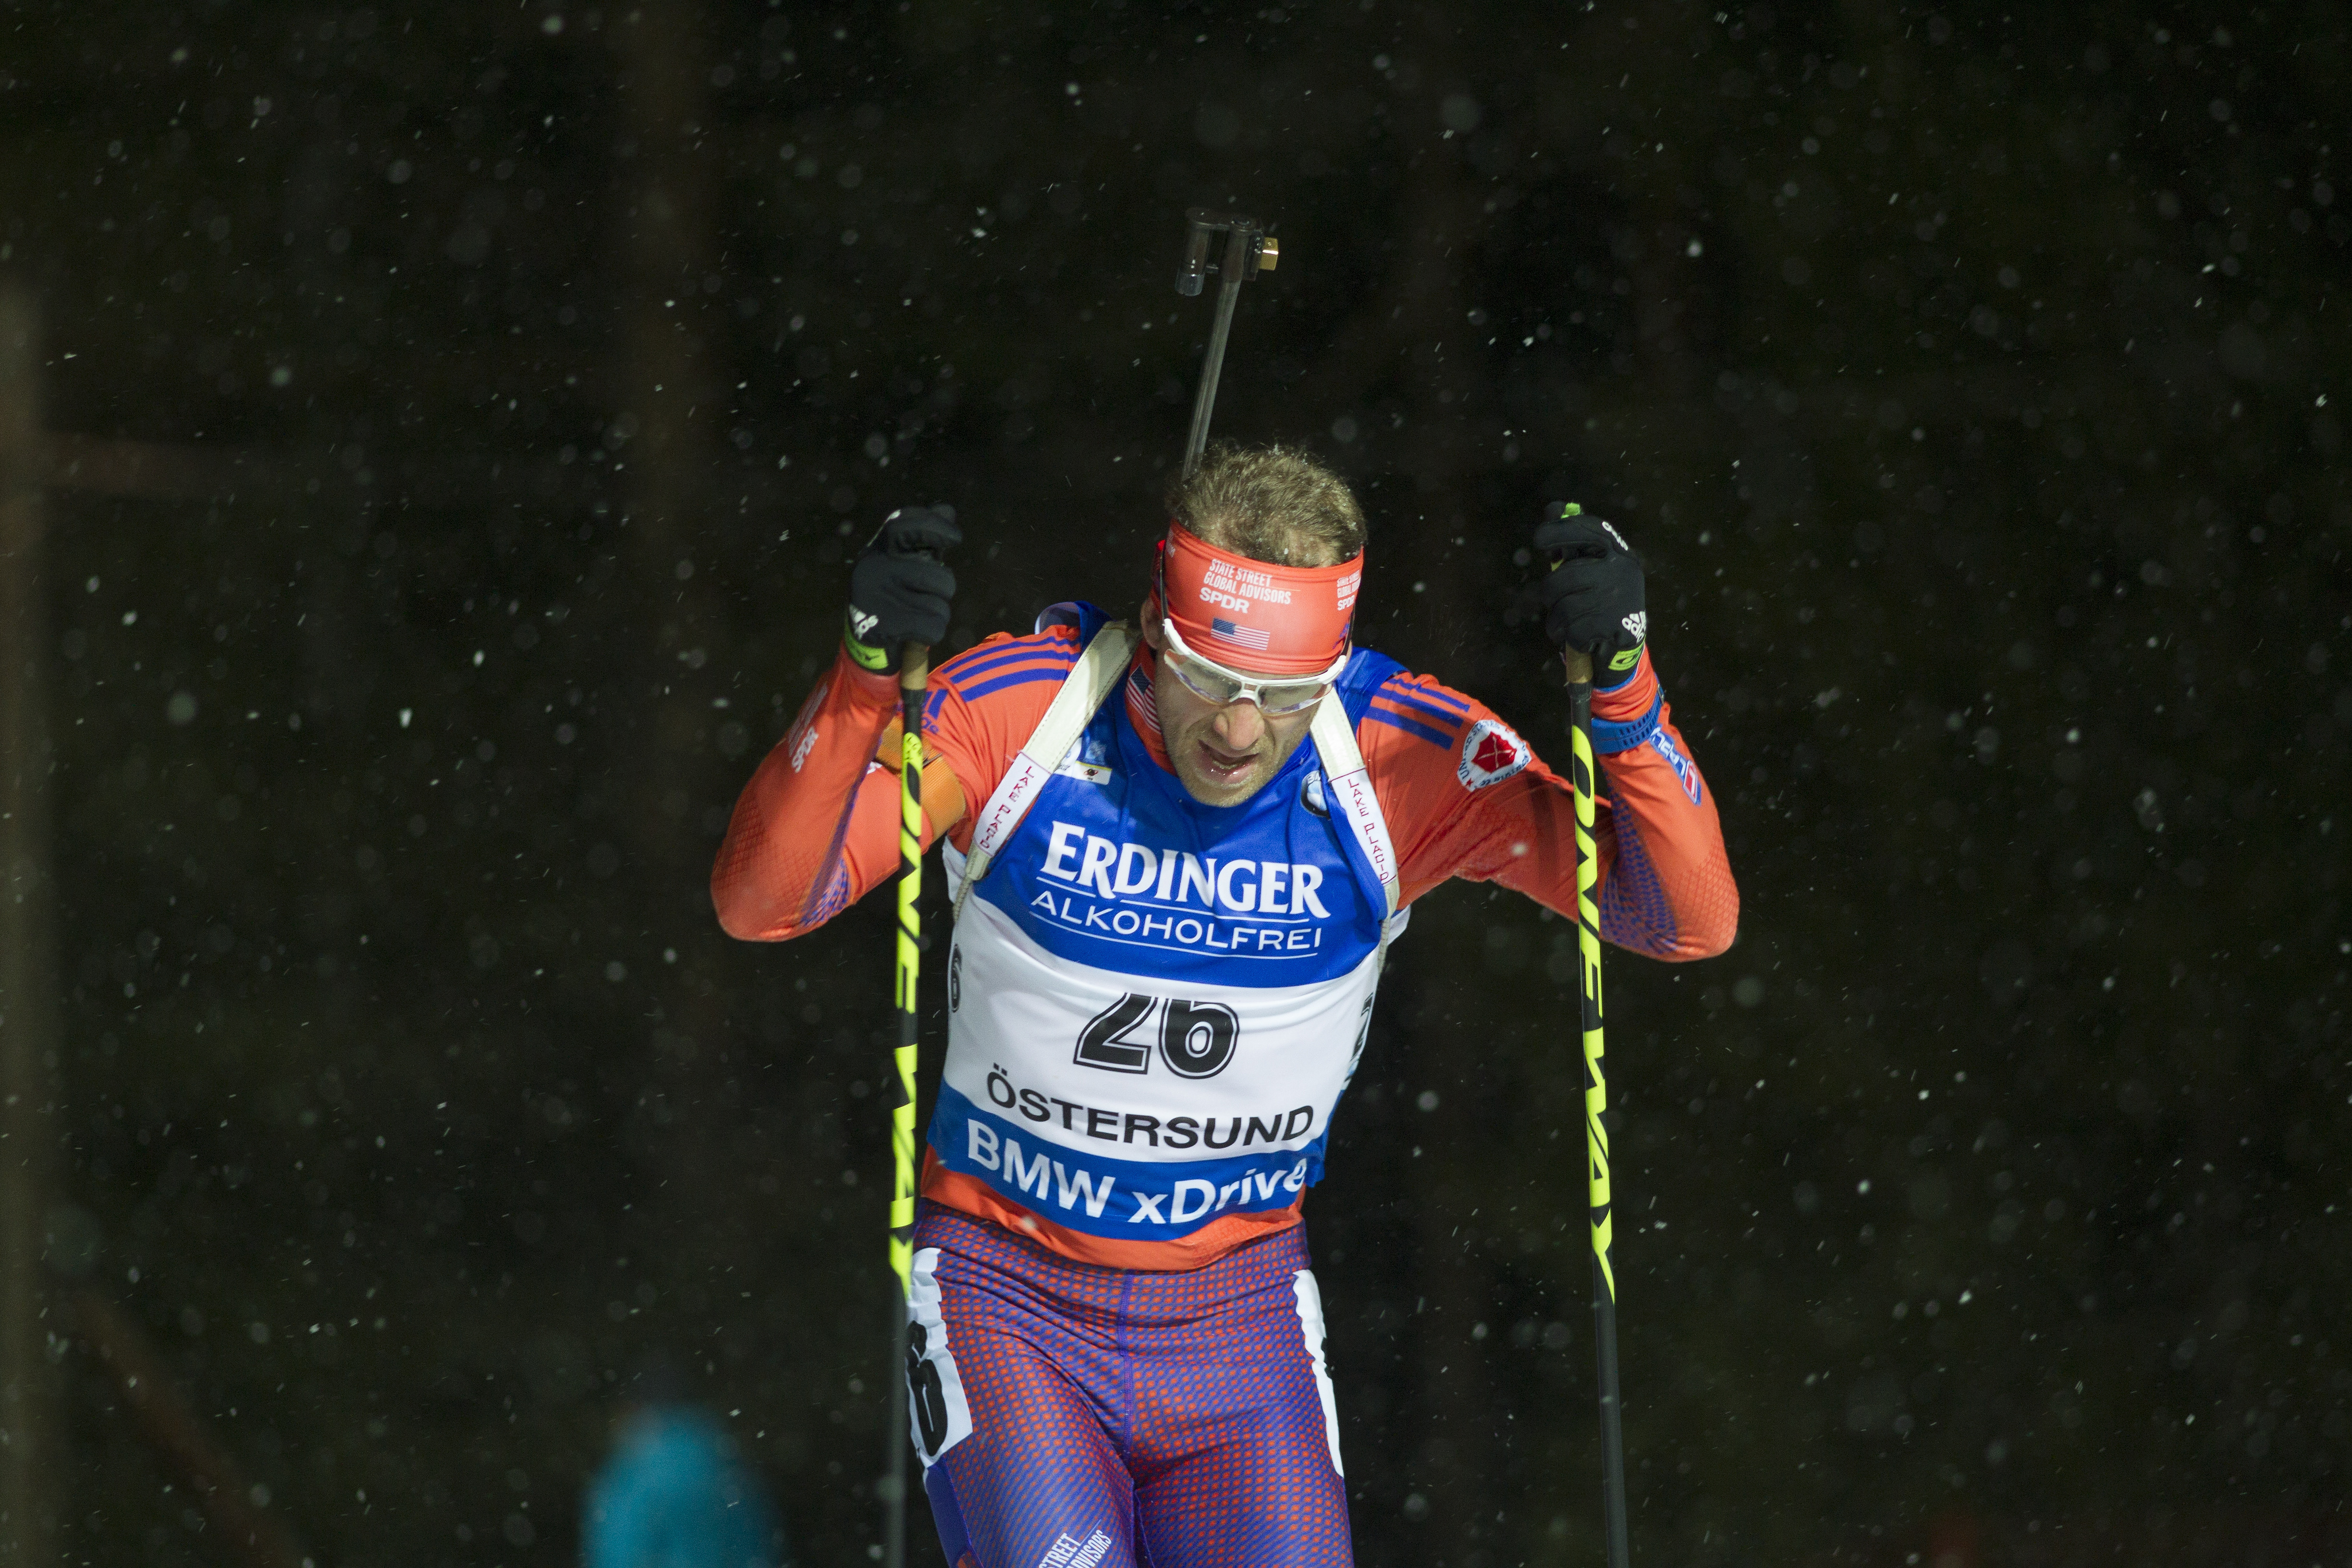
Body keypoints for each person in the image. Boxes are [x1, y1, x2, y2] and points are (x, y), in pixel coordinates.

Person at [711, 444, 1737, 1568]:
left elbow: (1680, 916)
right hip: (1010, 1300)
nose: (1240, 733)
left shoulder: (1396, 755)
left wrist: (1627, 696)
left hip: (1239, 1327)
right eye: (1209, 676)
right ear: (1155, 621)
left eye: (1288, 695)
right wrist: (865, 677)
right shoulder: (1027, 714)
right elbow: (767, 899)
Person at [580, 1362, 788, 1568]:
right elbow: (756, 1549)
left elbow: (619, 1552)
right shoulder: (729, 1467)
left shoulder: (631, 1476)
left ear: (637, 1408)